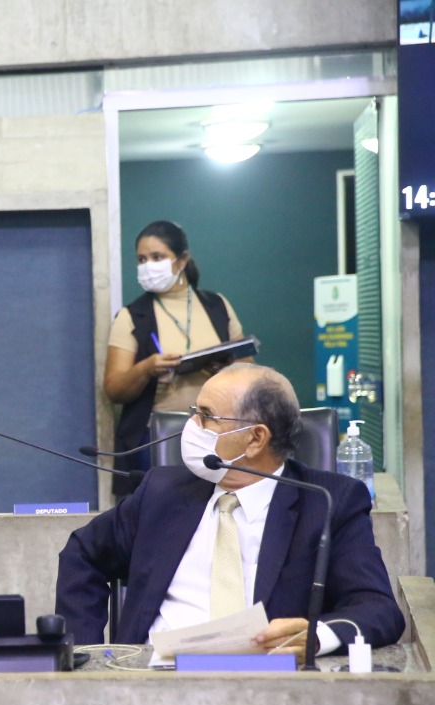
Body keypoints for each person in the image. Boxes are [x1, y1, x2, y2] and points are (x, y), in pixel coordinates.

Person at [56, 363, 404, 656]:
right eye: (194, 412)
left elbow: (378, 609)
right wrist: (88, 656)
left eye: (206, 416)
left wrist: (315, 637)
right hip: (152, 682)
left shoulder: (328, 502)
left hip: (266, 687)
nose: (191, 426)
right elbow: (82, 553)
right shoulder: (162, 491)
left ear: (256, 439)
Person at [104, 222, 249, 494]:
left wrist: (224, 369)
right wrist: (146, 368)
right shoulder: (132, 316)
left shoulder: (217, 305)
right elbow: (114, 389)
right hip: (158, 438)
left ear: (182, 260)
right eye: (141, 260)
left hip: (219, 435)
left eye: (157, 257)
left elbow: (249, 373)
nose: (148, 266)